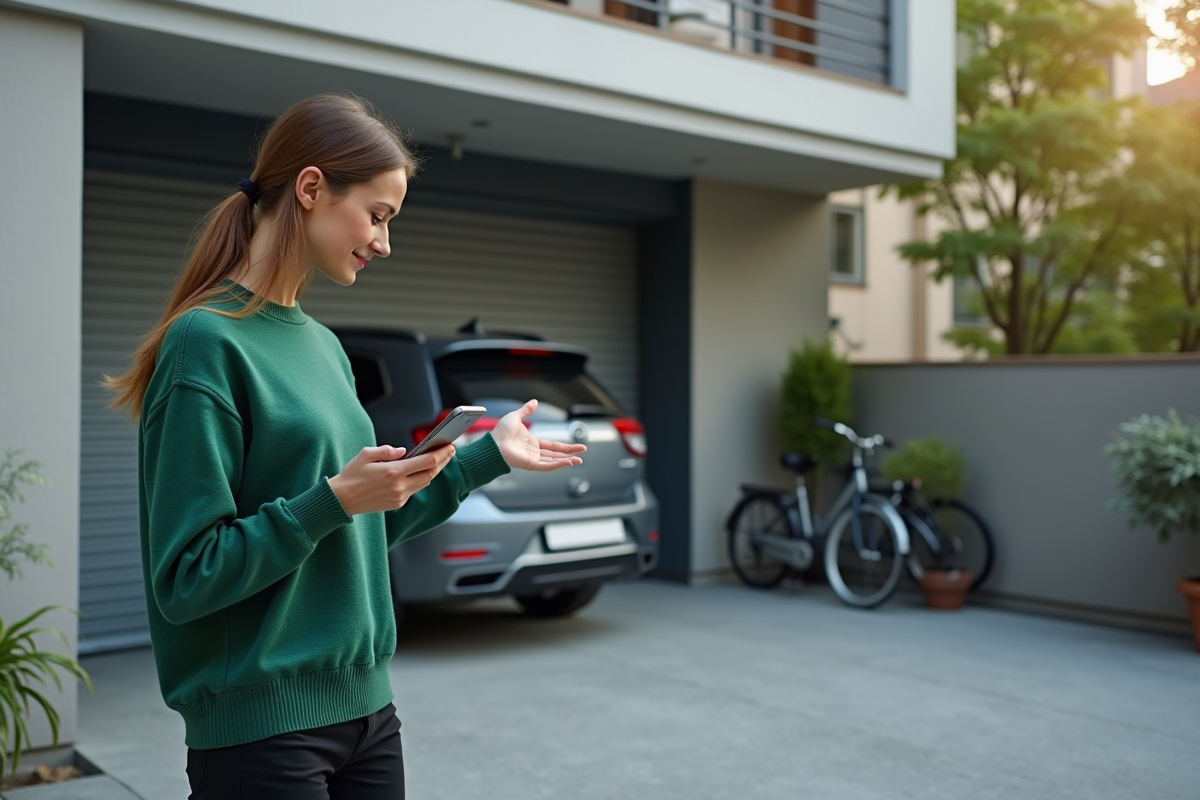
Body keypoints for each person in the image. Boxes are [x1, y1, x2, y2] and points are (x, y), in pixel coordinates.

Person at [105, 93, 586, 799]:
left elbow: (359, 530)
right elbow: (186, 578)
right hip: (259, 732)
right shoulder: (203, 345)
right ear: (310, 189)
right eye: (378, 215)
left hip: (368, 714)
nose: (384, 242)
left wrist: (487, 455)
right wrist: (326, 502)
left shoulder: (326, 348)